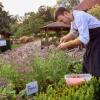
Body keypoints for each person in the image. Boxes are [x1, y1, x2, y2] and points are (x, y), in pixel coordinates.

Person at [54, 7, 100, 77]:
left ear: (65, 13)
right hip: (92, 41)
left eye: (61, 20)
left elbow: (84, 38)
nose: (62, 23)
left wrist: (66, 44)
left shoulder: (79, 16)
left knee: (95, 64)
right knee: (86, 62)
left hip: (98, 39)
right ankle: (87, 81)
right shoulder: (73, 20)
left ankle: (96, 82)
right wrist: (65, 38)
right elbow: (73, 33)